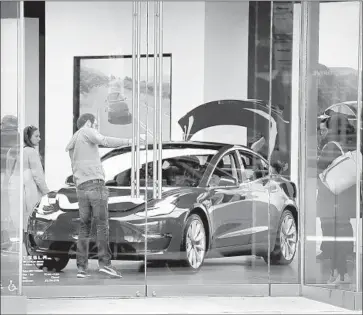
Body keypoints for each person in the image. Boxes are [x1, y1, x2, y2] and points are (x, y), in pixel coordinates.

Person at [65, 113, 132, 279]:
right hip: (95, 185)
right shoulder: (86, 131)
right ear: (88, 122)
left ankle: (81, 268)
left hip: (81, 188)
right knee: (102, 225)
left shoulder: (73, 142)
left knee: (84, 227)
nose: (96, 128)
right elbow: (105, 141)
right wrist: (130, 142)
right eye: (96, 124)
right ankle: (105, 264)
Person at [317, 113, 356, 285]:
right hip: (345, 200)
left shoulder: (330, 147)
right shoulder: (352, 146)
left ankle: (337, 274)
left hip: (330, 200)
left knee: (331, 238)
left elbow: (318, 169)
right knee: (339, 237)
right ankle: (342, 274)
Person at [7, 125, 49, 237]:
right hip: (27, 192)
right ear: (28, 137)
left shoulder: (17, 150)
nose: (39, 139)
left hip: (16, 190)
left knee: (20, 223)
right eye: (36, 136)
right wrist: (47, 193)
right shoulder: (31, 152)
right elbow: (38, 176)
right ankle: (28, 250)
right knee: (29, 223)